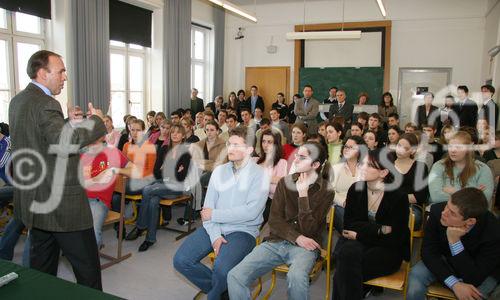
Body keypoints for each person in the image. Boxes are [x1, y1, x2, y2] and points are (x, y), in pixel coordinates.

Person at [8, 50, 106, 289]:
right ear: (43, 73)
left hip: (35, 202)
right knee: (88, 271)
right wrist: (96, 121)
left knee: (43, 272)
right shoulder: (46, 103)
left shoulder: (18, 100)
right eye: (60, 71)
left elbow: (41, 139)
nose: (64, 77)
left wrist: (66, 122)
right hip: (63, 205)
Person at [173, 126, 270, 300]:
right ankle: (224, 291)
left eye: (236, 145)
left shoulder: (260, 175)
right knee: (181, 260)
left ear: (249, 150)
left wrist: (215, 215)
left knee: (221, 269)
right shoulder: (219, 171)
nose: (230, 148)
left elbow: (251, 212)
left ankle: (217, 292)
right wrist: (215, 234)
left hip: (243, 231)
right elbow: (207, 208)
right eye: (229, 144)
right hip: (214, 227)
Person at [227, 142, 333, 300]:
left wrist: (303, 196)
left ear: (316, 164)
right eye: (296, 155)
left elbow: (310, 230)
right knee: (235, 275)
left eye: (302, 157)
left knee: (296, 277)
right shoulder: (285, 182)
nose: (295, 159)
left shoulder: (326, 190)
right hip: (276, 241)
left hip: (306, 247)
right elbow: (274, 220)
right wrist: (296, 237)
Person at [332, 150, 410, 300]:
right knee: (347, 256)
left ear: (383, 172)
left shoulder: (398, 196)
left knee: (344, 269)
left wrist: (360, 233)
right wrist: (378, 230)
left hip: (388, 250)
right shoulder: (356, 189)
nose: (362, 167)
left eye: (369, 165)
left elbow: (394, 237)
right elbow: (349, 226)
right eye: (362, 163)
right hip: (360, 244)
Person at [407, 188, 500, 300]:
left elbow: (474, 278)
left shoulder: (493, 232)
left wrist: (455, 242)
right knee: (415, 278)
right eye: (447, 205)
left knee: (475, 296)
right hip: (444, 259)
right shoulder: (437, 211)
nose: (444, 213)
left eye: (452, 213)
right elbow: (428, 252)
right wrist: (454, 284)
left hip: (479, 270)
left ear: (470, 221)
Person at [126, 125, 192, 251]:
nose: (175, 134)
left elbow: (181, 177)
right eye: (173, 132)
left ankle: (140, 226)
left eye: (178, 133)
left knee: (147, 190)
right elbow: (156, 171)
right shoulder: (164, 149)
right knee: (153, 201)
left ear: (183, 136)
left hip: (176, 187)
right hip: (161, 182)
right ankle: (150, 239)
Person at [80, 136, 131, 248]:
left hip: (98, 201)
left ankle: (90, 263)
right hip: (79, 198)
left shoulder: (112, 153)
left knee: (91, 232)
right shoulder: (81, 154)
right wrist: (96, 179)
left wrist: (116, 170)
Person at [428, 131, 494, 206]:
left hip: (473, 213)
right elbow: (436, 197)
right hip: (444, 210)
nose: (453, 150)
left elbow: (484, 200)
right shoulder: (439, 166)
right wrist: (472, 194)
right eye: (450, 146)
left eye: (458, 147)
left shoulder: (483, 169)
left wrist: (454, 191)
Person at [394, 133, 429, 230]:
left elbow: (420, 196)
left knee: (406, 217)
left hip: (410, 206)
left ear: (413, 150)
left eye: (405, 148)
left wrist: (394, 197)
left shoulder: (420, 167)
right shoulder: (387, 163)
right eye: (399, 145)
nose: (400, 150)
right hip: (386, 203)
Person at [253, 129, 287, 226]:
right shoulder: (255, 161)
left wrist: (260, 179)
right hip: (251, 199)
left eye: (269, 142)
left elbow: (277, 189)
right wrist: (272, 179)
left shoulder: (281, 163)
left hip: (269, 202)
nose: (265, 145)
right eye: (263, 141)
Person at [330, 135, 364, 232]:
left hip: (360, 206)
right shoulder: (336, 168)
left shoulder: (365, 169)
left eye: (351, 147)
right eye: (345, 146)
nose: (346, 149)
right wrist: (344, 202)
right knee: (347, 220)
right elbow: (330, 191)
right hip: (340, 206)